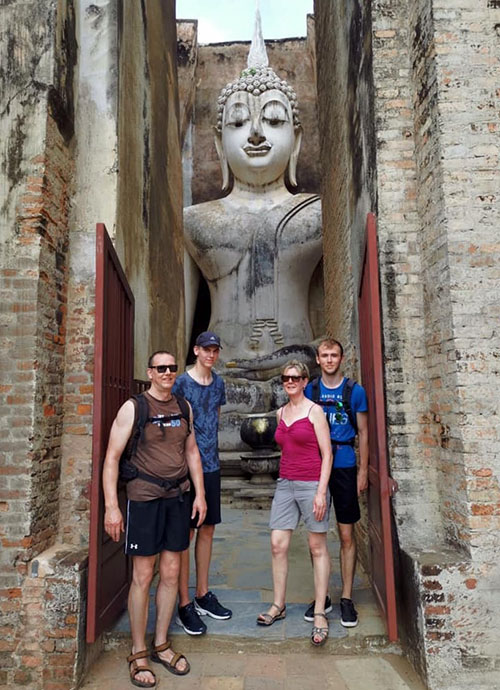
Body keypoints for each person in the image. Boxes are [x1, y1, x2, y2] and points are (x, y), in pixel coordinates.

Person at [183, 34, 322, 367]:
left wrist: (311, 354)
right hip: (221, 375)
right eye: (239, 122)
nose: (256, 132)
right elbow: (180, 325)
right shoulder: (193, 220)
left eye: (274, 121)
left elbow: (329, 311)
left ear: (296, 139)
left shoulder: (319, 214)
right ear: (219, 143)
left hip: (297, 374)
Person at [102, 351, 206, 688]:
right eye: (161, 368)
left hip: (178, 497)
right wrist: (111, 507)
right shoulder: (135, 408)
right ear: (150, 372)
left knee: (172, 572)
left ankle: (161, 643)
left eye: (172, 368)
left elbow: (191, 452)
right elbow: (111, 458)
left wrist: (200, 495)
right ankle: (138, 651)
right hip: (144, 499)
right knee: (143, 575)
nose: (167, 373)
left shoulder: (183, 407)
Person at [256, 360, 333, 646]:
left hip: (312, 483)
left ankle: (319, 612)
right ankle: (278, 604)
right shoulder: (280, 412)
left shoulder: (315, 412)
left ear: (304, 381)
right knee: (278, 544)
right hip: (285, 484)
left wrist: (321, 492)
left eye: (295, 377)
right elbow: (286, 448)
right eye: (285, 378)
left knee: (316, 546)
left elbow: (327, 454)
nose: (289, 381)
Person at [304, 338, 369, 628]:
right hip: (316, 468)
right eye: (324, 355)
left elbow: (364, 433)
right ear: (317, 359)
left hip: (343, 465)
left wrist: (363, 471)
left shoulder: (355, 392)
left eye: (334, 355)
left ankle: (345, 597)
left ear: (342, 358)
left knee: (345, 535)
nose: (329, 360)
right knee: (316, 536)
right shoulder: (311, 390)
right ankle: (322, 597)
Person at [172, 331, 231, 635]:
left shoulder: (219, 383)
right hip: (186, 466)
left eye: (215, 350)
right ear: (196, 350)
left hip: (211, 465)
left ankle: (202, 593)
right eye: (206, 349)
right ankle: (184, 603)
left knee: (208, 528)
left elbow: (214, 417)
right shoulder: (182, 382)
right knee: (187, 533)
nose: (210, 354)